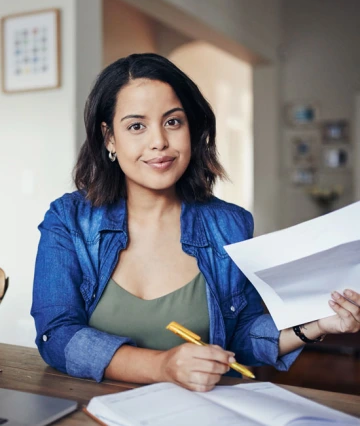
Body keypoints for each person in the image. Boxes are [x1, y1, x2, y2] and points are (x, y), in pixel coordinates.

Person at [31, 53, 360, 392]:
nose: (159, 141)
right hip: (92, 411)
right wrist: (163, 366)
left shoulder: (229, 225)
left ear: (192, 128)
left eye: (173, 122)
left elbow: (240, 338)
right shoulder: (68, 220)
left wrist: (317, 324)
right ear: (109, 137)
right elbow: (56, 334)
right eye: (136, 126)